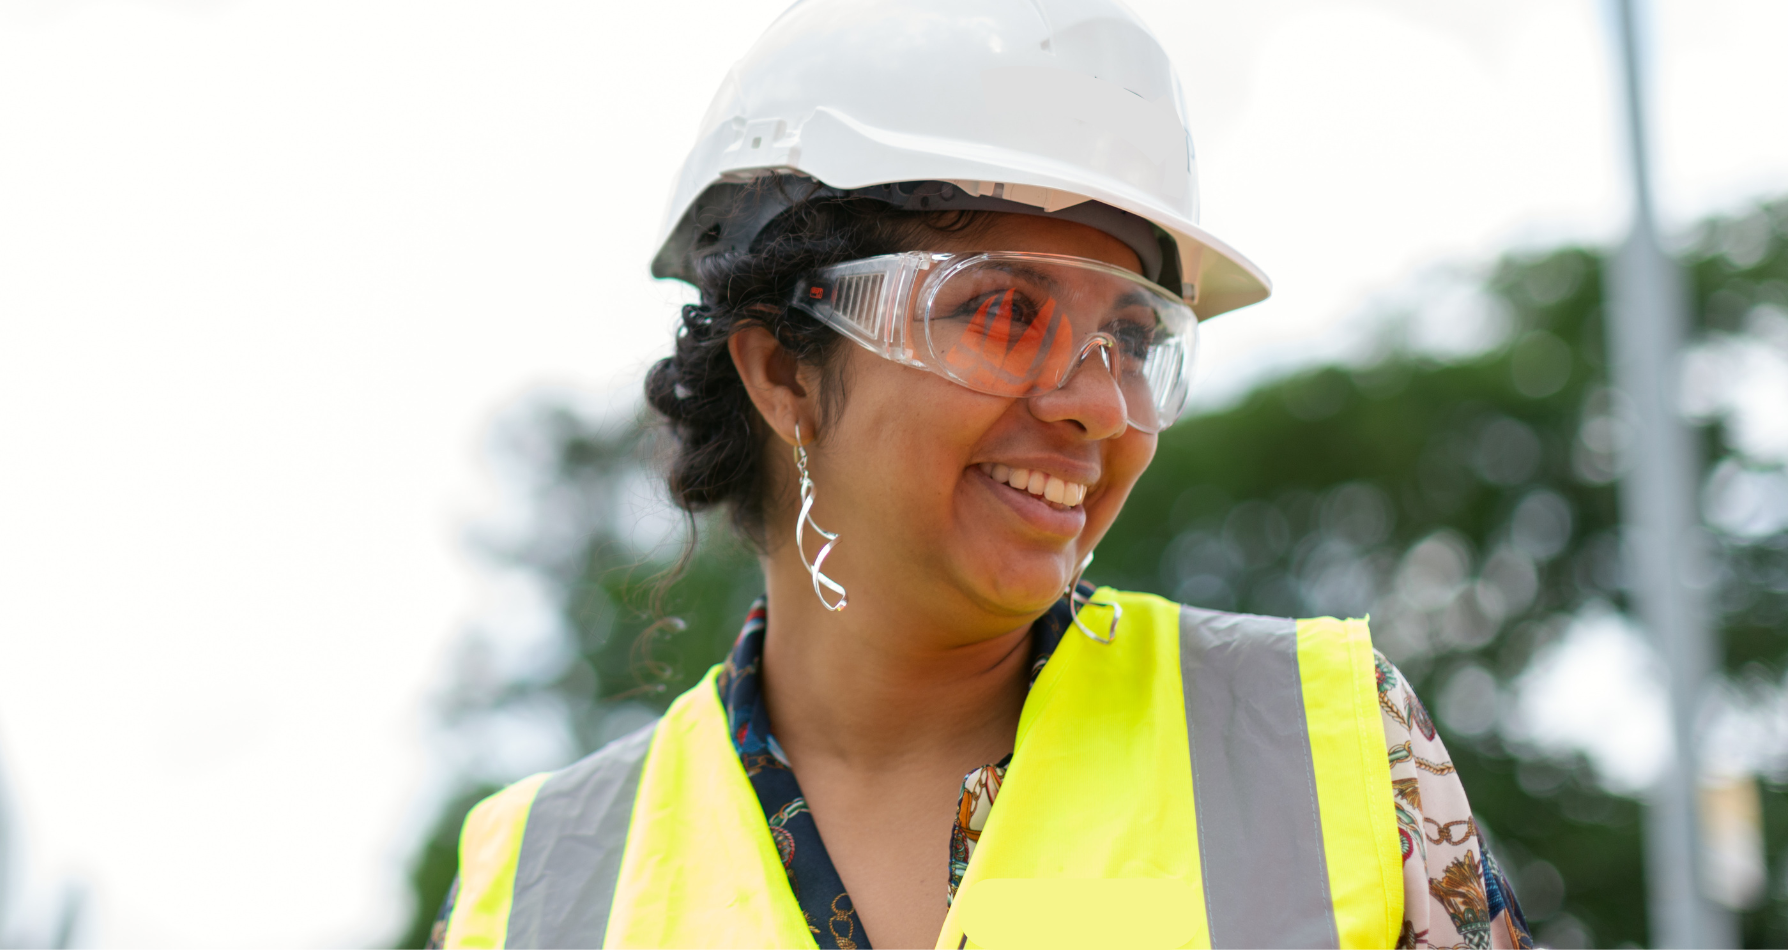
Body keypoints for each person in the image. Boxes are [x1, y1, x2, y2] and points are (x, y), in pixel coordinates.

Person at [430, 1, 1530, 947]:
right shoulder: (535, 888)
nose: (1100, 403)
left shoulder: (1321, 746)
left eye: (1137, 339)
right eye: (1005, 312)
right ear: (782, 372)